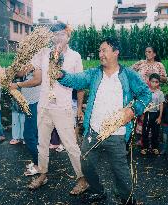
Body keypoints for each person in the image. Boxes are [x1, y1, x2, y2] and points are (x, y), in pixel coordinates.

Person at [57, 37, 151, 204]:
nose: (100, 54)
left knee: (120, 170)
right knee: (86, 163)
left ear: (116, 52)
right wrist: (60, 74)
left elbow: (146, 94)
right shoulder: (94, 73)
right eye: (99, 51)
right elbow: (75, 79)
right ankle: (97, 190)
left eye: (104, 50)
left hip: (117, 132)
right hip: (93, 130)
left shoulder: (128, 75)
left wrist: (133, 110)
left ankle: (126, 198)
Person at [27, 22, 87, 195]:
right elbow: (30, 69)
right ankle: (42, 174)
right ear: (51, 36)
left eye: (62, 34)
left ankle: (82, 179)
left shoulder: (75, 56)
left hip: (63, 108)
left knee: (71, 145)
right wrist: (16, 69)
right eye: (55, 34)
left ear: (68, 36)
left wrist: (79, 109)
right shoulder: (43, 53)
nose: (58, 37)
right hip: (44, 106)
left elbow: (80, 84)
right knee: (42, 144)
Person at [10, 63, 42, 175]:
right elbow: (21, 73)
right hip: (29, 104)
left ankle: (39, 165)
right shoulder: (31, 61)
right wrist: (10, 71)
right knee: (35, 135)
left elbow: (38, 80)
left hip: (35, 104)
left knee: (29, 135)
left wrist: (18, 84)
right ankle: (38, 161)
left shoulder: (39, 61)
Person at [132, 47, 167, 146]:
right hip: (141, 93)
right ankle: (143, 139)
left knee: (152, 115)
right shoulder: (141, 63)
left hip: (154, 94)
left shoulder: (159, 65)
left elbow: (165, 79)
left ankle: (152, 140)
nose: (147, 53)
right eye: (146, 51)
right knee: (142, 115)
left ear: (154, 54)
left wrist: (154, 75)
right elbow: (130, 71)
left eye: (149, 51)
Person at [141, 73, 164, 155]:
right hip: (147, 113)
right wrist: (143, 115)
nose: (154, 84)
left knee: (155, 132)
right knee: (145, 131)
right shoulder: (146, 92)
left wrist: (160, 117)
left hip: (155, 114)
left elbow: (161, 105)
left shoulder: (160, 93)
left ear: (159, 83)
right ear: (149, 82)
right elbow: (143, 103)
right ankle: (145, 147)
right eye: (152, 81)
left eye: (156, 82)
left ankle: (155, 147)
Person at [9, 78, 25, 145]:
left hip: (24, 101)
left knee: (23, 120)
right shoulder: (12, 78)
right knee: (15, 120)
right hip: (15, 102)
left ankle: (24, 137)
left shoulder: (25, 76)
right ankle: (15, 137)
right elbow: (9, 88)